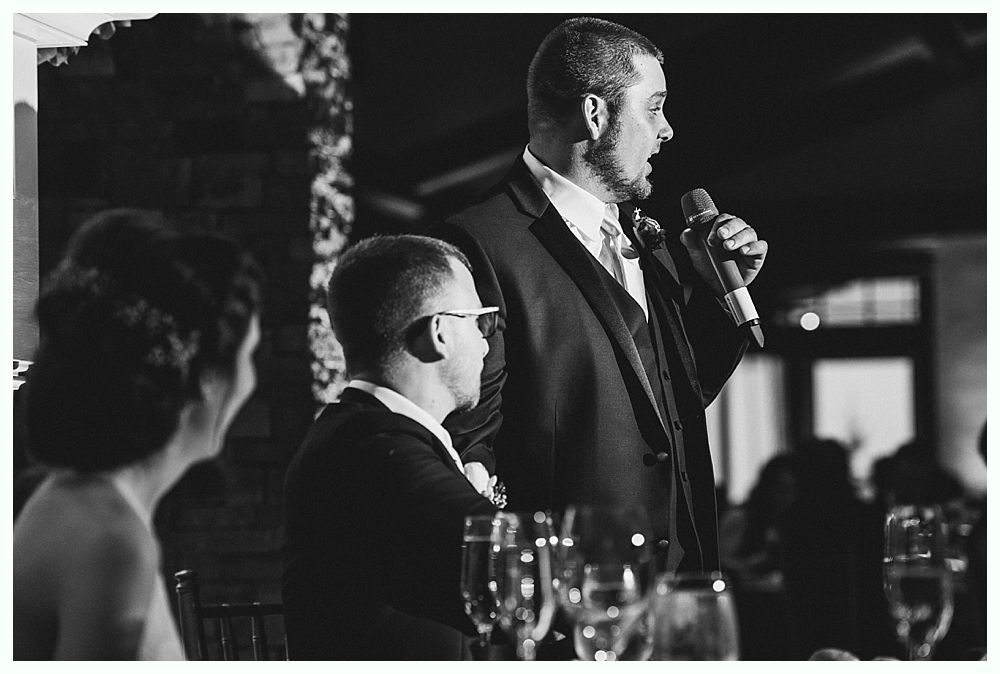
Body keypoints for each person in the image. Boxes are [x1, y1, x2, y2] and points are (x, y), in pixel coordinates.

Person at [431, 16, 767, 573]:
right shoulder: (480, 244)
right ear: (595, 113)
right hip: (572, 599)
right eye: (654, 107)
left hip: (678, 585)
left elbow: (664, 410)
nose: (668, 130)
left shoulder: (646, 240)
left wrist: (713, 296)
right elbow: (469, 445)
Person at [13, 209, 262, 659]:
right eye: (250, 357)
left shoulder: (69, 500)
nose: (252, 382)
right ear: (206, 382)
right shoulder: (112, 541)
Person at [282, 235, 499, 660]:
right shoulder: (373, 451)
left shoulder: (357, 433)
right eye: (480, 321)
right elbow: (507, 556)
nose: (487, 342)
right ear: (439, 332)